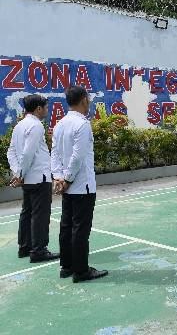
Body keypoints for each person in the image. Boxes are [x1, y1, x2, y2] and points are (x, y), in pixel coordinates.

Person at [51, 86, 108, 283]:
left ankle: (66, 266)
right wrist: (66, 179)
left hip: (67, 185)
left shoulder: (60, 124)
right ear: (84, 99)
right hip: (80, 184)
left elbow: (55, 154)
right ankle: (81, 271)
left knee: (66, 226)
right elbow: (78, 156)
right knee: (80, 229)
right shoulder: (82, 124)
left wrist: (58, 177)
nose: (89, 101)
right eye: (88, 98)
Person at [6, 94, 59, 263]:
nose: (47, 110)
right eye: (46, 107)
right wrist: (20, 174)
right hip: (39, 178)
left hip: (28, 178)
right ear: (38, 109)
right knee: (40, 215)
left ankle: (24, 247)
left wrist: (18, 173)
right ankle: (39, 251)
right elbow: (28, 153)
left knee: (27, 213)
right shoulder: (36, 126)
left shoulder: (19, 126)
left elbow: (11, 152)